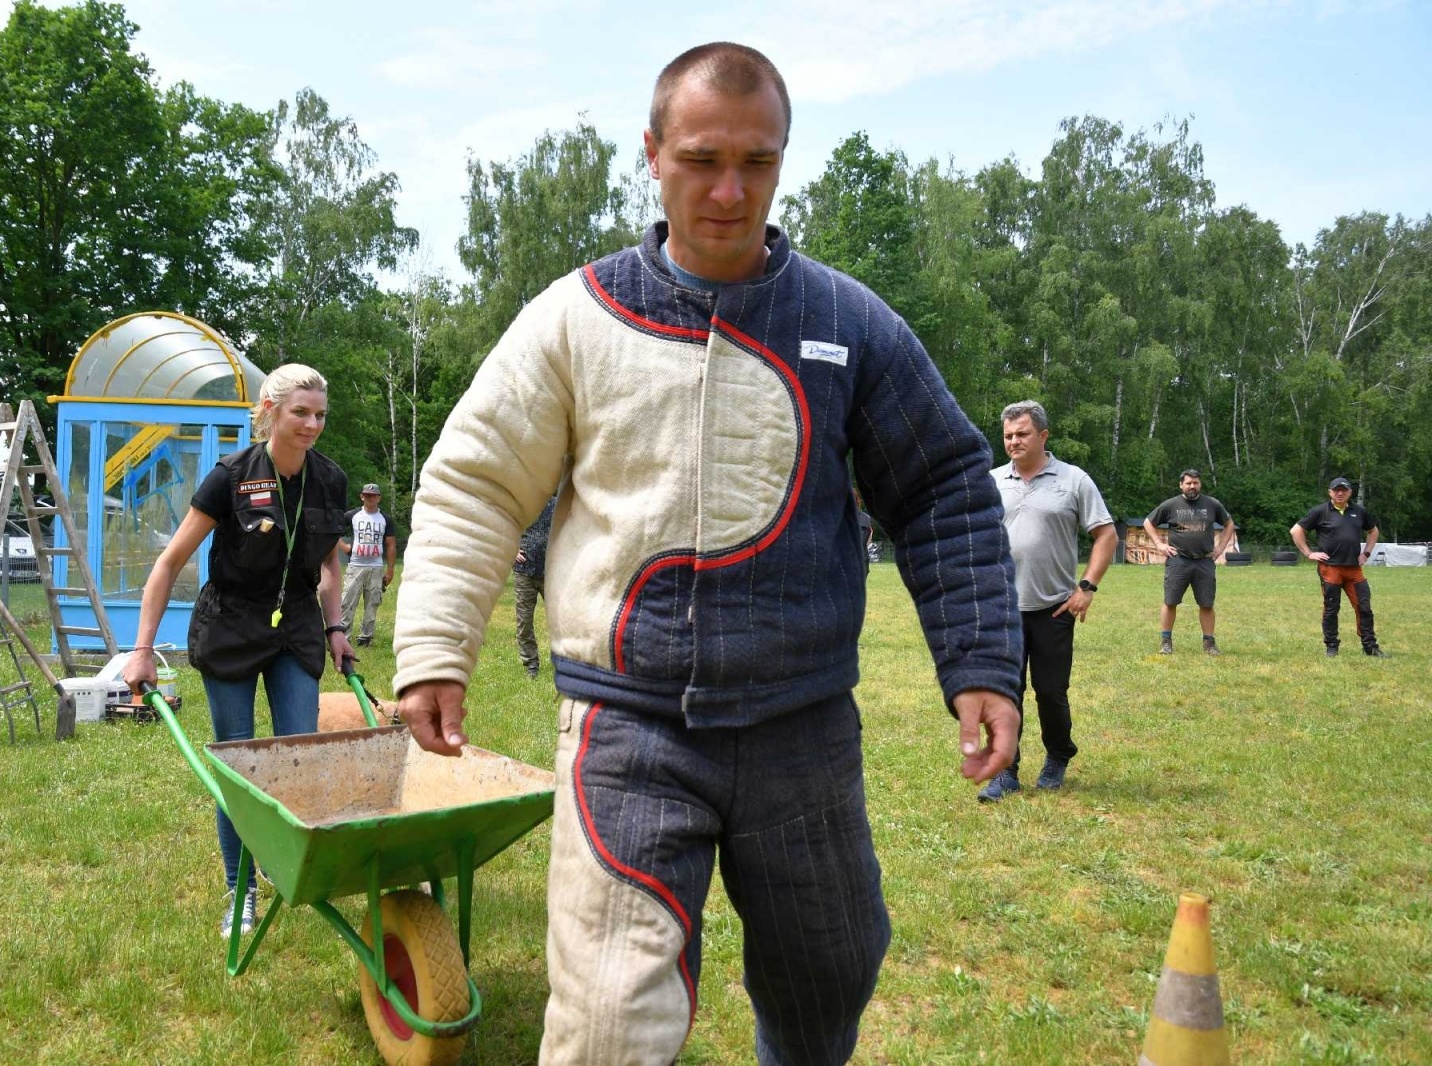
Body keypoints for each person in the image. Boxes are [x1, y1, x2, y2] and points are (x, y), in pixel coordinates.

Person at [392, 42, 1022, 1066]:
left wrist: (983, 662)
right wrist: (430, 649)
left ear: (781, 161)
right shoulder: (571, 319)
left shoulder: (849, 323)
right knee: (602, 1026)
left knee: (831, 970)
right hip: (627, 725)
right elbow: (473, 483)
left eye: (756, 162)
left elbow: (945, 489)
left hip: (801, 724)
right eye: (699, 159)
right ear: (650, 153)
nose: (729, 190)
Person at [124, 364, 351, 937]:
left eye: (320, 414)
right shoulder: (230, 476)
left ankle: (284, 863)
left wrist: (336, 628)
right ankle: (240, 887)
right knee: (239, 761)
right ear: (270, 411)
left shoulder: (330, 480)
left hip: (295, 623)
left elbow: (328, 564)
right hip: (231, 623)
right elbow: (169, 562)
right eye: (300, 412)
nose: (312, 424)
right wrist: (142, 649)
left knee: (297, 752)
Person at [982, 400, 1117, 803]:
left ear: (1043, 436)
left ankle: (1058, 754)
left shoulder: (1074, 481)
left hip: (1054, 608)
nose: (1013, 441)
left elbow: (1106, 535)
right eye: (1008, 435)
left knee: (1050, 692)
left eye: (1022, 434)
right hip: (1002, 609)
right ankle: (1005, 771)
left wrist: (1087, 587)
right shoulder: (991, 481)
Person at [1291, 477, 1388, 658]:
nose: (1340, 493)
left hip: (1354, 569)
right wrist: (1308, 553)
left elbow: (1373, 531)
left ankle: (1370, 647)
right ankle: (1332, 647)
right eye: (1336, 490)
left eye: (1344, 490)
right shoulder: (1320, 511)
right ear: (1330, 492)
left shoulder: (1359, 511)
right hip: (1330, 569)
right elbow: (1296, 531)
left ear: (1350, 492)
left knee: (1364, 607)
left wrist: (1366, 553)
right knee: (1331, 608)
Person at [1143, 469, 1236, 656]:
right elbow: (1148, 522)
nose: (1192, 486)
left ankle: (1209, 644)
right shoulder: (1171, 505)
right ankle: (1166, 642)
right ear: (1181, 485)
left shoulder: (1212, 504)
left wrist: (1220, 548)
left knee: (1207, 603)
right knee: (1170, 602)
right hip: (1178, 561)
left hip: (1204, 561)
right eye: (1188, 483)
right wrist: (1159, 544)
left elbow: (1229, 524)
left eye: (1195, 483)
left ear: (1200, 484)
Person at [339, 483, 396, 647]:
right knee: (347, 602)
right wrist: (344, 547)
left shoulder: (385, 519)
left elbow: (391, 544)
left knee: (372, 602)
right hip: (355, 565)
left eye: (373, 495)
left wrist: (390, 570)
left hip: (376, 567)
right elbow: (335, 530)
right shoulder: (352, 515)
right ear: (362, 496)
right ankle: (343, 637)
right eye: (367, 495)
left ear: (379, 498)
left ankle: (366, 637)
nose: (370, 498)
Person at [513, 495, 556, 678]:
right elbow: (505, 528)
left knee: (561, 622)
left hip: (552, 572)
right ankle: (531, 666)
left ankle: (565, 664)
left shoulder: (557, 504)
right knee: (524, 622)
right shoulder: (521, 503)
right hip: (524, 572)